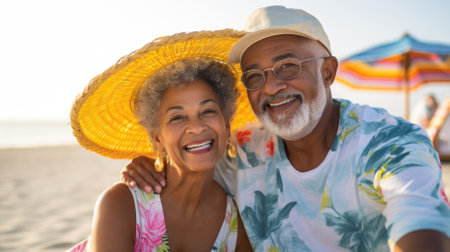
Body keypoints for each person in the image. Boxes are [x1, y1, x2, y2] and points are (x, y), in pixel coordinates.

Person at [121, 5, 450, 252]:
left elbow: (421, 221)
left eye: (287, 66)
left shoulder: (392, 144)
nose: (272, 86)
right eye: (254, 76)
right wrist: (152, 166)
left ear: (328, 71)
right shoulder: (242, 151)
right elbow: (189, 163)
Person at [68, 29, 252, 251]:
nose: (196, 126)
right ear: (157, 140)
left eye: (208, 111)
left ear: (226, 126)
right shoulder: (121, 204)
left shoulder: (232, 222)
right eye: (177, 117)